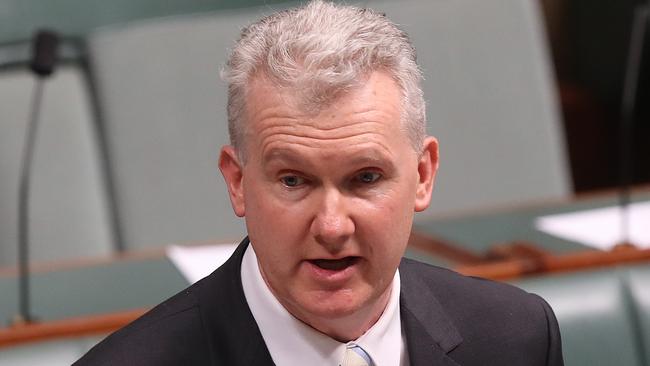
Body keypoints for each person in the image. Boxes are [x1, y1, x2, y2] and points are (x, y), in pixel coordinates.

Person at [75, 1, 563, 365]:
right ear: (238, 182)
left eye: (365, 178)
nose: (331, 227)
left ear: (422, 174)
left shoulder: (517, 338)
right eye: (293, 180)